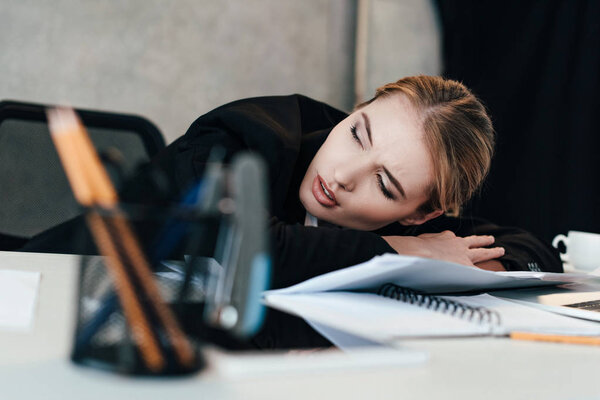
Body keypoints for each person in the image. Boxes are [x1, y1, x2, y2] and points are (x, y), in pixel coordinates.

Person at [20, 75, 561, 348]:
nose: (344, 174)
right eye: (357, 134)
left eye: (384, 183)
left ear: (421, 213)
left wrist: (465, 259)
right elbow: (249, 247)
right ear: (356, 110)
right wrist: (401, 249)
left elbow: (532, 250)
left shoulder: (417, 212)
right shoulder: (247, 133)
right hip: (46, 304)